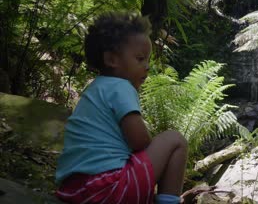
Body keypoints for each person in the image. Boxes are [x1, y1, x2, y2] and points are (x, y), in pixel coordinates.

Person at [55, 12, 187, 204]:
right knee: (175, 140)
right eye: (140, 59)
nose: (147, 66)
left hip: (77, 191)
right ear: (111, 60)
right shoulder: (121, 87)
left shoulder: (95, 88)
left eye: (147, 60)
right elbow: (139, 141)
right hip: (110, 188)